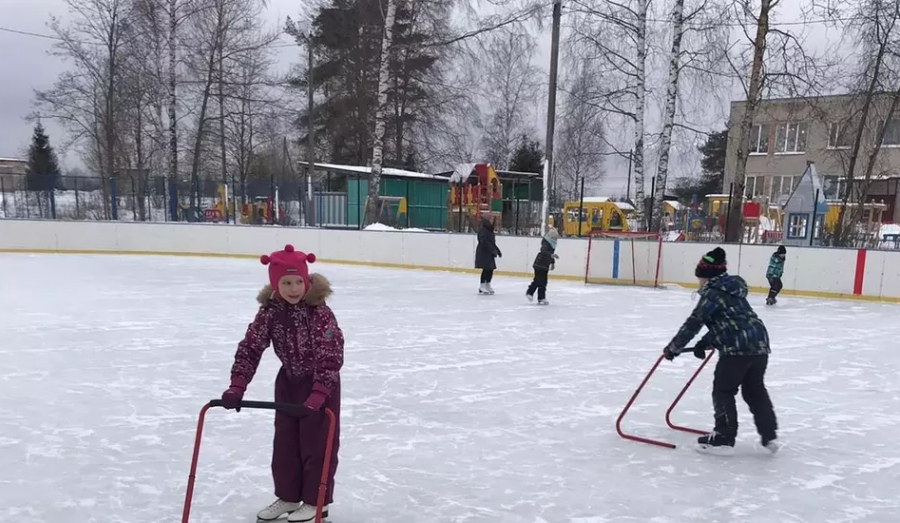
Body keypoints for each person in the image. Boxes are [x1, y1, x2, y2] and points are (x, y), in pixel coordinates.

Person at [220, 244, 344, 522]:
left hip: (321, 385)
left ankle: (316, 501)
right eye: (286, 283)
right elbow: (251, 347)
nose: (293, 289)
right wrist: (237, 384)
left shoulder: (319, 312)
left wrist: (319, 391)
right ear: (275, 284)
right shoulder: (270, 312)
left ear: (306, 280)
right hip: (288, 383)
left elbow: (331, 354)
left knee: (317, 446)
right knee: (285, 446)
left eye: (298, 281)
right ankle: (288, 496)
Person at [662, 247, 779, 455]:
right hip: (759, 343)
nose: (699, 283)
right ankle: (769, 435)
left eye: (700, 278)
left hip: (736, 349)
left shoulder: (712, 292)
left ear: (707, 276)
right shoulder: (732, 290)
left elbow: (694, 322)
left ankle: (724, 437)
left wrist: (674, 348)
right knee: (754, 390)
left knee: (723, 390)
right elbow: (728, 323)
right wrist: (703, 343)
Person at [526, 228, 559, 305]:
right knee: (538, 280)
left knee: (544, 282)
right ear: (551, 237)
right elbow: (543, 251)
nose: (556, 239)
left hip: (545, 265)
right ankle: (529, 292)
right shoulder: (546, 243)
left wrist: (552, 263)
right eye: (555, 237)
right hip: (539, 264)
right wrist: (551, 256)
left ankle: (541, 297)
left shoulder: (552, 245)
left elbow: (551, 255)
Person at [475, 213, 502, 294]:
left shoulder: (490, 230)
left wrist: (497, 250)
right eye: (491, 219)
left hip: (489, 252)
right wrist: (492, 249)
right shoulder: (483, 229)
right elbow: (483, 241)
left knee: (490, 269)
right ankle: (482, 285)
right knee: (486, 269)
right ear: (487, 220)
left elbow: (492, 242)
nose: (492, 220)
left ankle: (488, 284)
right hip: (483, 252)